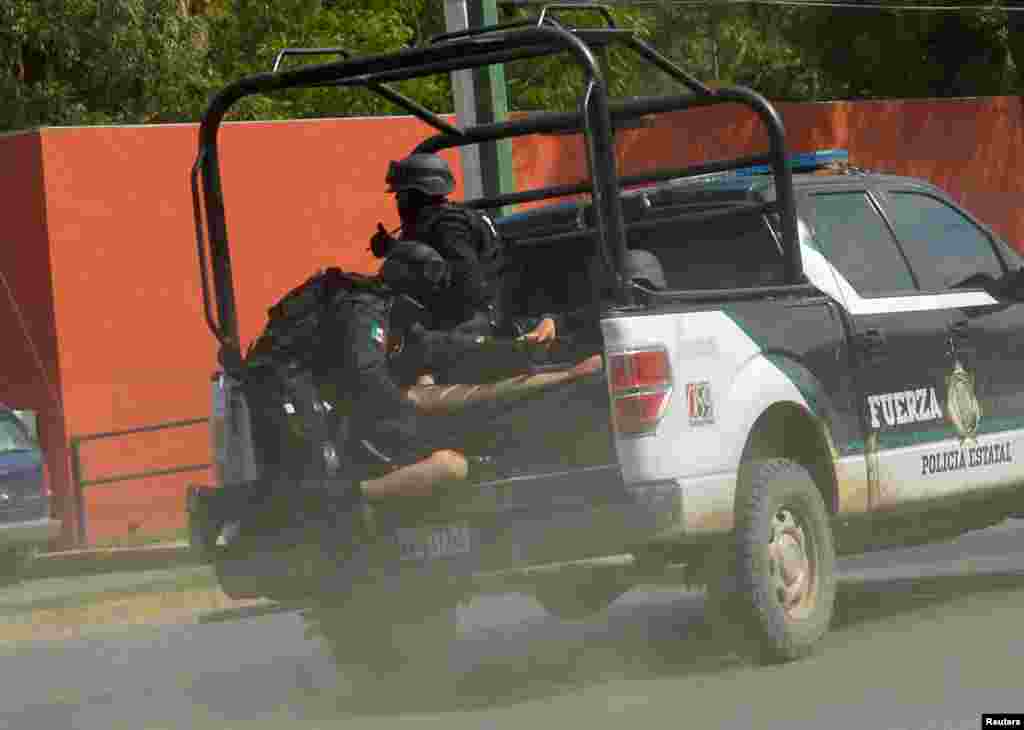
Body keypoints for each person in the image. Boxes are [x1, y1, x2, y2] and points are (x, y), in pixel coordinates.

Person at [331, 240, 603, 506]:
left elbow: (445, 349)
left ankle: (567, 376)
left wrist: (514, 349)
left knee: (444, 404)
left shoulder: (396, 320)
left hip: (387, 414)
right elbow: (371, 382)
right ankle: (344, 504)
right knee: (450, 462)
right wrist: (410, 416)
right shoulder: (364, 313)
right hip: (350, 429)